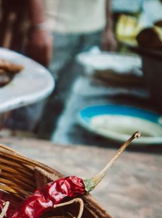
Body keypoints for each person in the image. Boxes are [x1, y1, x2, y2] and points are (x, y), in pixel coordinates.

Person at [18, 0, 117, 138]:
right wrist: (39, 26)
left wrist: (108, 27)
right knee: (31, 100)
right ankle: (14, 145)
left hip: (93, 28)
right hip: (54, 26)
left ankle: (43, 141)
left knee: (62, 98)